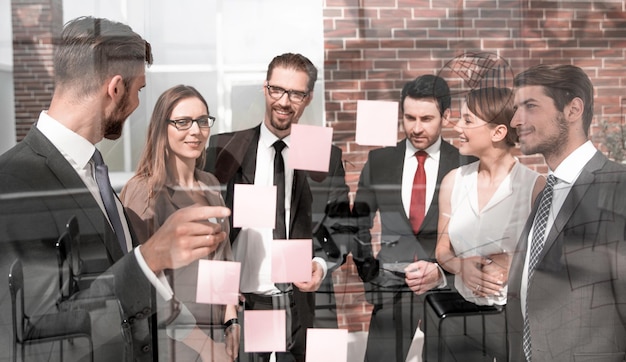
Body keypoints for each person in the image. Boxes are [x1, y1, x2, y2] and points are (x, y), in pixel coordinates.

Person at [0, 17, 230, 361]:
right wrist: (151, 257)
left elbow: (131, 292)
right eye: (138, 90)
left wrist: (208, 344)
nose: (137, 105)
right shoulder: (13, 182)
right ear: (116, 88)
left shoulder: (95, 174)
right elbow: (35, 338)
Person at [204, 52, 350, 362]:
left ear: (308, 98)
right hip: (246, 306)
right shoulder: (224, 149)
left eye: (296, 93)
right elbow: (209, 233)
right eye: (277, 90)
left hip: (304, 305)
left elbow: (342, 227)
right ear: (265, 88)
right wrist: (221, 302)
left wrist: (322, 265)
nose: (284, 101)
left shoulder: (323, 152)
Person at [507, 64, 626, 361]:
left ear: (573, 109)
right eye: (515, 109)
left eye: (529, 106)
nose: (514, 120)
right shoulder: (545, 194)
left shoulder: (618, 186)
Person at [352, 74, 474, 362]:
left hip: (448, 292)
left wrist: (445, 272)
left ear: (445, 116)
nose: (416, 128)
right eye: (409, 118)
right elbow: (358, 223)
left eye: (426, 118)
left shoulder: (466, 164)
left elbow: (475, 232)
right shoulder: (379, 161)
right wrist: (371, 276)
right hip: (391, 291)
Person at [121, 85, 240, 361]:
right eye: (182, 122)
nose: (195, 131)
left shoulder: (209, 184)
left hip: (216, 332)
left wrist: (231, 318)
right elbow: (150, 285)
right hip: (172, 341)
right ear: (162, 130)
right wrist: (205, 347)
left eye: (202, 120)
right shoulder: (144, 191)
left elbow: (223, 258)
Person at [436, 87, 544, 306]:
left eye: (467, 120)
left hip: (514, 315)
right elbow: (441, 249)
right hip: (461, 313)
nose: (457, 127)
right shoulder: (453, 181)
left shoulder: (535, 187)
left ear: (498, 132)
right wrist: (460, 266)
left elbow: (553, 256)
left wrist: (511, 261)